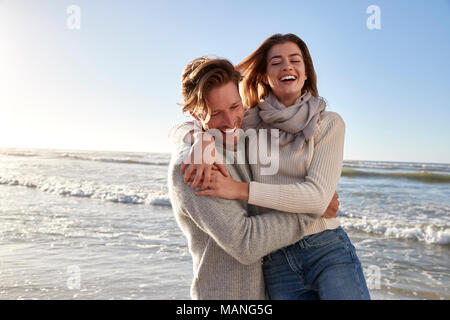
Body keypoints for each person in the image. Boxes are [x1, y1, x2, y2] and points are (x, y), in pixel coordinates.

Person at [178, 34, 370, 300]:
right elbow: (199, 117)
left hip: (325, 246)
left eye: (295, 60)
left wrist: (239, 189)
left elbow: (316, 198)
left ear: (306, 72)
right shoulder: (248, 122)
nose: (287, 66)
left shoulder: (329, 123)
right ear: (265, 75)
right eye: (276, 62)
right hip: (275, 259)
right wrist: (197, 139)